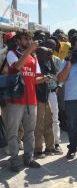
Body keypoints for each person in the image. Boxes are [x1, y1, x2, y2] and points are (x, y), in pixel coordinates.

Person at [5, 30, 49, 172]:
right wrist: (29, 50)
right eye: (25, 39)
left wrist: (44, 79)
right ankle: (14, 160)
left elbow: (34, 79)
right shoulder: (12, 54)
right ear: (18, 40)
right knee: (12, 132)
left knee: (30, 131)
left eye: (30, 39)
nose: (29, 42)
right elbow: (17, 66)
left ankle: (28, 158)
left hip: (31, 100)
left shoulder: (33, 57)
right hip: (15, 100)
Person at [34, 47, 55, 158]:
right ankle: (37, 150)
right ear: (40, 54)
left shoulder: (45, 64)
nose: (48, 56)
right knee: (39, 126)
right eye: (46, 54)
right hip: (38, 99)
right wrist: (44, 78)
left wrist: (50, 58)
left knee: (49, 123)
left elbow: (54, 72)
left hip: (46, 98)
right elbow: (34, 81)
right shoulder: (35, 65)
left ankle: (49, 147)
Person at [44, 38, 63, 154]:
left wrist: (59, 86)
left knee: (55, 118)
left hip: (52, 91)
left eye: (52, 47)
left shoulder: (57, 60)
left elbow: (61, 76)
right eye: (48, 46)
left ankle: (56, 143)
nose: (50, 49)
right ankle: (41, 146)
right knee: (40, 121)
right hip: (40, 93)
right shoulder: (38, 58)